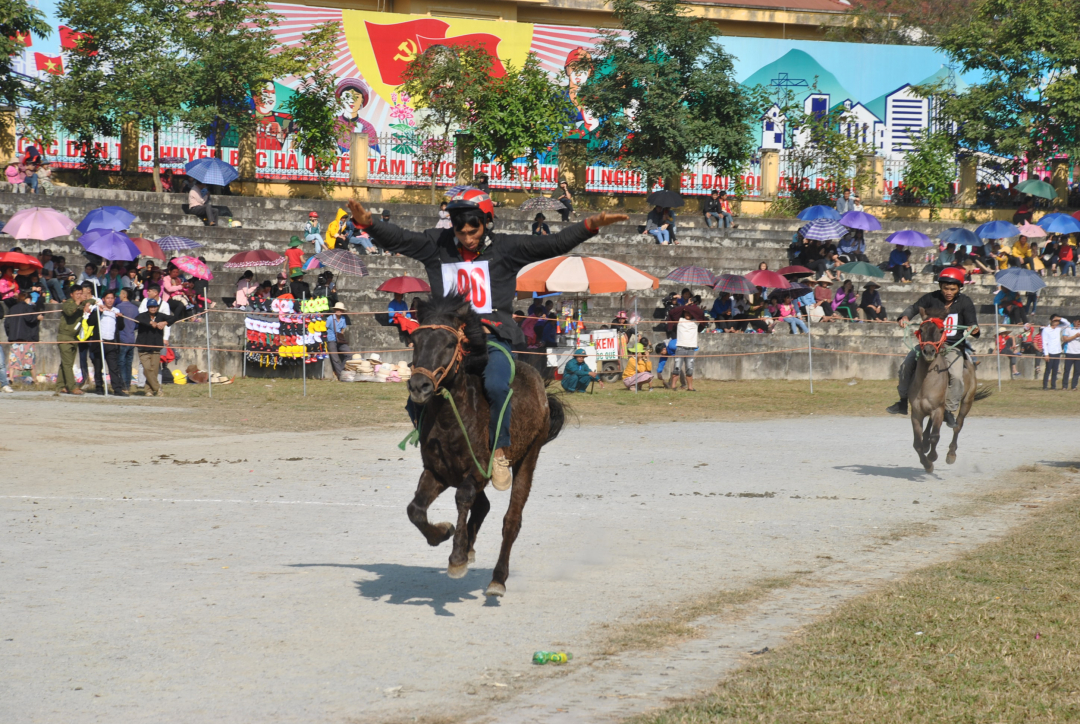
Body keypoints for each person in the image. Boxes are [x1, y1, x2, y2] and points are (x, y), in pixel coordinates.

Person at [345, 190, 626, 491]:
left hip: (493, 340)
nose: (466, 237)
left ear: (486, 222)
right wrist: (369, 225)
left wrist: (589, 226)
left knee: (494, 385)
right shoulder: (435, 246)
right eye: (460, 230)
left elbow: (552, 244)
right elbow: (400, 238)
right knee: (416, 393)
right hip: (451, 345)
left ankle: (501, 453)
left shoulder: (507, 248)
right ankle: (433, 448)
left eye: (473, 229)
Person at [886, 267, 980, 427]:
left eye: (952, 288)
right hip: (929, 343)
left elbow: (972, 322)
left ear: (959, 288)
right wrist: (904, 316)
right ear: (940, 287)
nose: (948, 291)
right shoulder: (930, 298)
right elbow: (913, 308)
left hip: (952, 346)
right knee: (906, 365)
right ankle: (902, 401)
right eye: (945, 288)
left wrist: (974, 328)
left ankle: (949, 410)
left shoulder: (965, 302)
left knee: (957, 376)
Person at [90, 290, 127, 396]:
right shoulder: (98, 309)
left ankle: (117, 389)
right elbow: (90, 322)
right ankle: (99, 388)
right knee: (98, 367)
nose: (110, 300)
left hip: (111, 343)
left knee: (114, 368)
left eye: (112, 298)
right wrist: (99, 312)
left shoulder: (116, 310)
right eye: (108, 298)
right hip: (100, 342)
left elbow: (121, 327)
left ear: (114, 300)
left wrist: (120, 318)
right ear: (103, 299)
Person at [55, 285, 88, 395]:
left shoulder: (82, 302)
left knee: (65, 363)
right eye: (77, 294)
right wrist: (78, 303)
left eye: (80, 293)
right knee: (68, 364)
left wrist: (88, 301)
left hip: (74, 337)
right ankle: (72, 386)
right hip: (64, 337)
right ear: (71, 294)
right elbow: (69, 312)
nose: (79, 296)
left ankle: (60, 385)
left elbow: (92, 300)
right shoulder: (68, 303)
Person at [135, 299, 169, 396]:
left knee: (154, 370)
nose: (153, 308)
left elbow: (173, 318)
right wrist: (150, 322)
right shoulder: (143, 316)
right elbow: (138, 319)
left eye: (154, 307)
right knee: (147, 368)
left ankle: (148, 390)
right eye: (151, 307)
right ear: (148, 307)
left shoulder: (161, 316)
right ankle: (158, 388)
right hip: (143, 348)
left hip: (155, 347)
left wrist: (164, 322)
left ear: (157, 307)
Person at [116, 289, 140, 391]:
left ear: (124, 295)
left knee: (121, 362)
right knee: (128, 363)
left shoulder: (118, 307)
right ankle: (128, 384)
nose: (119, 295)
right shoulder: (135, 308)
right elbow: (136, 325)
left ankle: (123, 385)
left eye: (120, 293)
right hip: (131, 339)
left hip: (122, 338)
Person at [672, 308, 700, 391]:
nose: (687, 314)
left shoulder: (696, 322)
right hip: (680, 347)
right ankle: (673, 386)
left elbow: (701, 315)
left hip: (691, 348)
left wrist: (693, 308)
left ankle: (690, 387)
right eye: (686, 313)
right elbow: (673, 312)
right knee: (676, 368)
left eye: (689, 313)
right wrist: (685, 306)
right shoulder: (680, 320)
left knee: (689, 369)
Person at [326, 302, 351, 379]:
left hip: (340, 340)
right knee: (335, 359)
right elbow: (325, 328)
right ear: (335, 310)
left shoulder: (343, 319)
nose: (339, 311)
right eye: (337, 310)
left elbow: (342, 329)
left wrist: (340, 336)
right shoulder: (330, 319)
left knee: (349, 354)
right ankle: (341, 375)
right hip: (331, 340)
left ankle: (340, 370)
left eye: (340, 310)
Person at [1041, 314, 1064, 390]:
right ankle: (1045, 386)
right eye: (1055, 321)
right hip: (1050, 352)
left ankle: (1053, 386)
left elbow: (1067, 323)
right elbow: (1044, 342)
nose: (1056, 323)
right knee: (1048, 369)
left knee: (1055, 370)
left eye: (1058, 321)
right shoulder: (1046, 330)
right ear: (1051, 321)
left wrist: (1060, 318)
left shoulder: (1059, 328)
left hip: (1057, 351)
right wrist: (1046, 354)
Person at [1062, 318, 1080, 391]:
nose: (1079, 324)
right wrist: (1075, 336)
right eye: (1078, 322)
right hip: (1069, 352)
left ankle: (1074, 386)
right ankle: (1064, 386)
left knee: (1077, 371)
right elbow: (1065, 339)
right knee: (1067, 370)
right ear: (1074, 321)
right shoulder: (1068, 328)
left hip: (1078, 353)